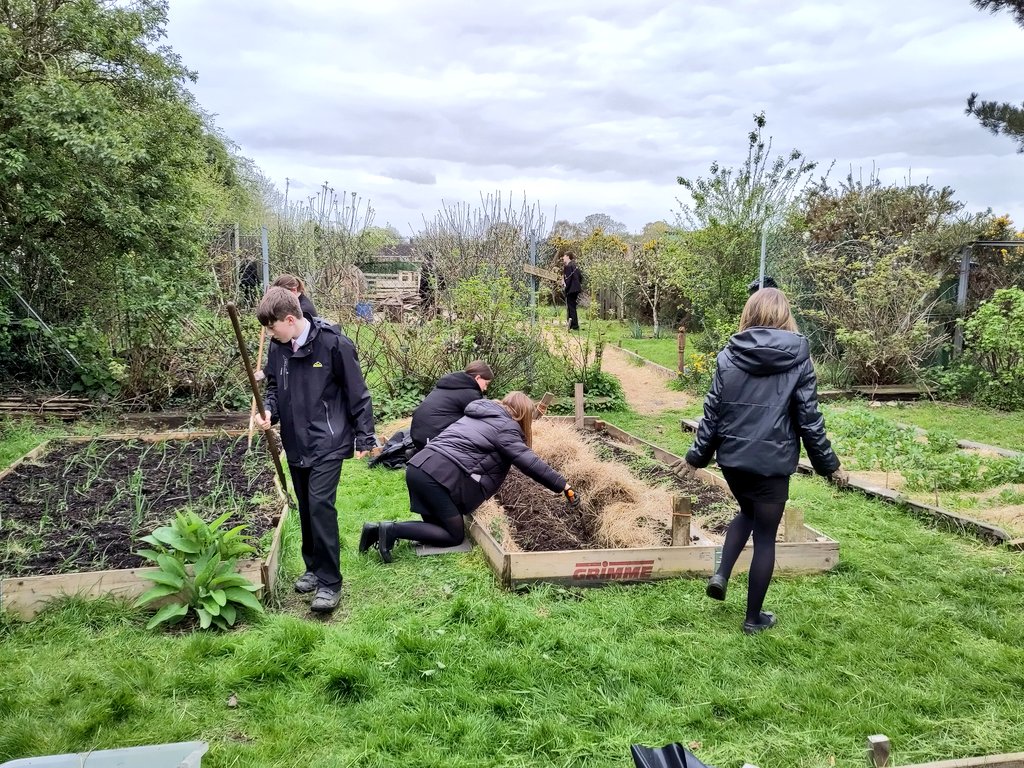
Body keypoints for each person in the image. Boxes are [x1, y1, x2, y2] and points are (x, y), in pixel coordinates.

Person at [683, 288, 847, 634]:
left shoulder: (728, 356)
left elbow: (712, 414)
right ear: (784, 315)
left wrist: (698, 456)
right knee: (766, 535)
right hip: (772, 462)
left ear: (749, 314)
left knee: (746, 511)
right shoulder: (799, 357)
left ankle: (722, 574)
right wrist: (829, 464)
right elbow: (809, 418)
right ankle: (753, 619)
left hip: (733, 460)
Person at [253, 287, 376, 613]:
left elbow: (358, 394)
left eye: (271, 327)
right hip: (295, 440)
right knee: (306, 507)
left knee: (321, 505)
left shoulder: (333, 343)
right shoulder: (279, 347)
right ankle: (312, 567)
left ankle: (330, 582)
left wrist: (365, 437)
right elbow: (276, 388)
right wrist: (268, 411)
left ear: (290, 319)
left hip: (328, 440)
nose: (269, 333)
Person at [359, 392, 579, 563]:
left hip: (419, 467)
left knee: (438, 531)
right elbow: (530, 463)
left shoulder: (479, 414)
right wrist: (563, 485)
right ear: (523, 414)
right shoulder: (505, 428)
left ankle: (375, 530)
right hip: (436, 478)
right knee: (453, 537)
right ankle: (390, 530)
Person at [409, 361, 493, 451]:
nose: (485, 388)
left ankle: (419, 453)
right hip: (434, 442)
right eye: (486, 384)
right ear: (478, 378)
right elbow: (483, 420)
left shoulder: (449, 385)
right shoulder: (470, 393)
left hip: (418, 438)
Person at [562, 253, 582, 331]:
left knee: (571, 308)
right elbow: (580, 277)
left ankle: (574, 326)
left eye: (564, 256)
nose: (563, 258)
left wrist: (566, 288)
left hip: (571, 289)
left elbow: (568, 280)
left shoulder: (568, 266)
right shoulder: (575, 266)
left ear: (567, 257)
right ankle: (571, 325)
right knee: (572, 306)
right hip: (576, 289)